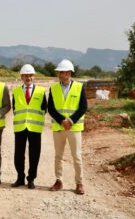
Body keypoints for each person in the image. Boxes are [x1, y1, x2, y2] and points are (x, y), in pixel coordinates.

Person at [48, 59, 87, 195]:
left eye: (62, 72)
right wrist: (61, 121)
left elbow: (83, 107)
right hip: (59, 127)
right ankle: (59, 181)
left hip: (74, 128)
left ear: (69, 73)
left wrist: (70, 121)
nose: (59, 74)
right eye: (58, 72)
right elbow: (51, 108)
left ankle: (79, 183)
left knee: (76, 156)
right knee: (58, 156)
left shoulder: (79, 87)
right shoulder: (53, 88)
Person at [11, 64, 47, 189]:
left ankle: (31, 179)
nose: (28, 78)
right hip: (20, 127)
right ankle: (20, 178)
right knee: (18, 154)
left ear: (33, 76)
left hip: (35, 128)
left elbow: (44, 109)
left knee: (34, 154)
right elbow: (14, 108)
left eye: (30, 75)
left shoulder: (41, 91)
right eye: (25, 75)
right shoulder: (15, 92)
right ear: (21, 77)